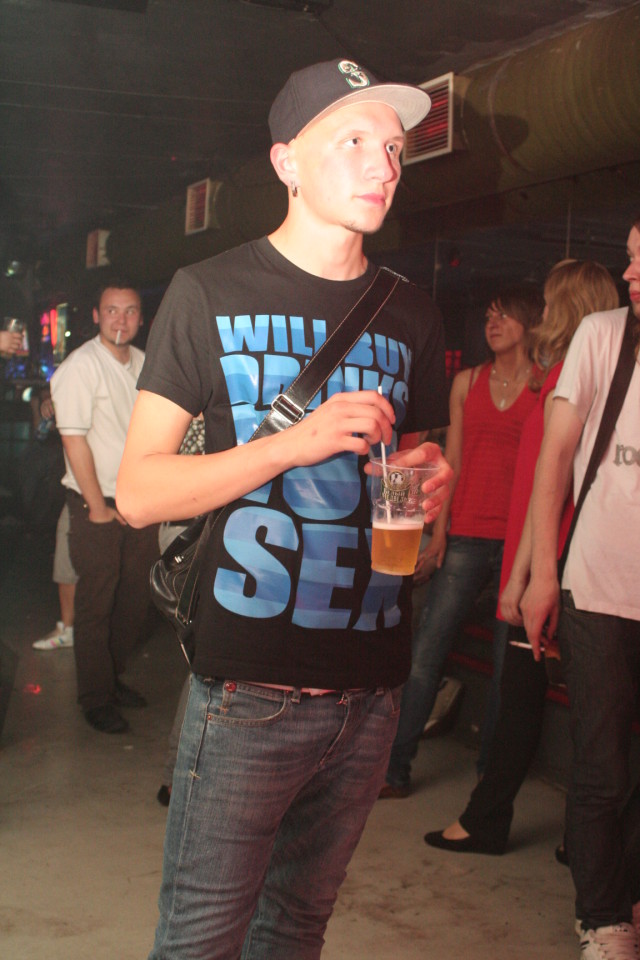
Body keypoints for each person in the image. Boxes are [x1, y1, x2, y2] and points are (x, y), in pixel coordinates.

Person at [116, 58, 452, 960]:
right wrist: (289, 446)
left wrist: (430, 490)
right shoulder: (208, 292)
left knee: (298, 931)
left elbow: (413, 495)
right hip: (248, 692)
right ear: (286, 162)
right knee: (200, 941)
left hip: (373, 689)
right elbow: (137, 491)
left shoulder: (413, 314)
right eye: (353, 140)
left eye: (394, 147)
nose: (383, 164)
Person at [422, 259, 619, 855]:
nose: (543, 312)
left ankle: (498, 823)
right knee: (554, 705)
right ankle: (572, 835)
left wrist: (525, 576)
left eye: (551, 301)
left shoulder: (569, 379)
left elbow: (547, 485)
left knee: (528, 704)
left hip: (546, 563)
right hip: (543, 557)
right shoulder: (570, 374)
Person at [521, 216, 640, 960]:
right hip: (598, 585)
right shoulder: (603, 336)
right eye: (630, 258)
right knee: (602, 765)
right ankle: (603, 918)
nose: (630, 273)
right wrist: (541, 574)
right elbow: (555, 458)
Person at [379, 284, 543, 798]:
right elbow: (452, 461)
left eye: (504, 315)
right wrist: (439, 534)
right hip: (467, 531)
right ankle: (394, 770)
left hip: (518, 540)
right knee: (425, 654)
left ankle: (488, 787)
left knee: (505, 670)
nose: (493, 324)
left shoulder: (544, 383)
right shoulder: (467, 381)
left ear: (528, 324)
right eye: (488, 315)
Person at [50, 278, 159, 734]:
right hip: (94, 502)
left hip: (138, 501)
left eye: (130, 311)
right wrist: (96, 507)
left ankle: (110, 679)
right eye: (112, 310)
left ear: (140, 318)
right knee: (97, 602)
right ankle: (95, 698)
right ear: (96, 316)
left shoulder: (146, 364)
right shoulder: (80, 366)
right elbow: (73, 440)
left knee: (133, 600)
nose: (121, 319)